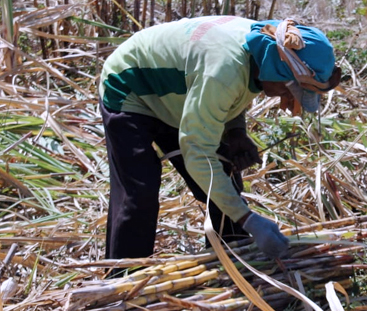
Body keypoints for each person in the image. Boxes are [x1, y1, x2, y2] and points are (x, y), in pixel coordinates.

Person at [98, 16, 341, 262]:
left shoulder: (261, 48)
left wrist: (236, 131)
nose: (285, 97)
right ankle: (124, 280)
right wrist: (249, 220)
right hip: (130, 85)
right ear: (277, 70)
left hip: (180, 89)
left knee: (224, 170)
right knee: (139, 192)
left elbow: (233, 90)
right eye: (289, 90)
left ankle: (232, 260)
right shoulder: (225, 68)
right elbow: (198, 153)